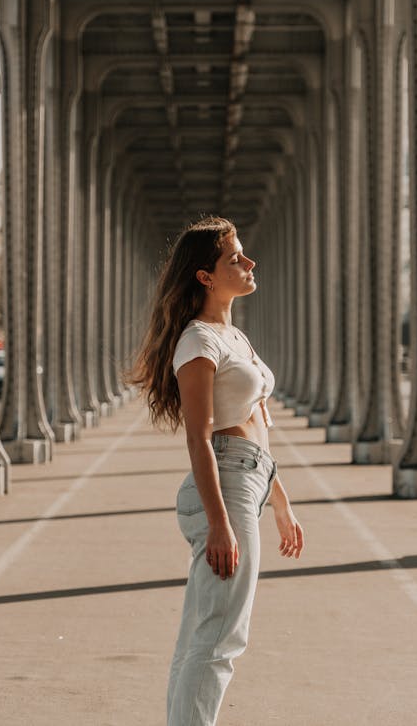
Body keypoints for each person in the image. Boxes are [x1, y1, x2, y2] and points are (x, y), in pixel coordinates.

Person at [128, 216, 304, 725]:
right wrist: (221, 521)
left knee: (204, 635)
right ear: (205, 275)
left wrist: (281, 500)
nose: (249, 264)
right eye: (234, 259)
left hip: (247, 478)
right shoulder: (198, 342)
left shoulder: (233, 336)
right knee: (220, 636)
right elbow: (200, 435)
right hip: (224, 487)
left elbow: (253, 425)